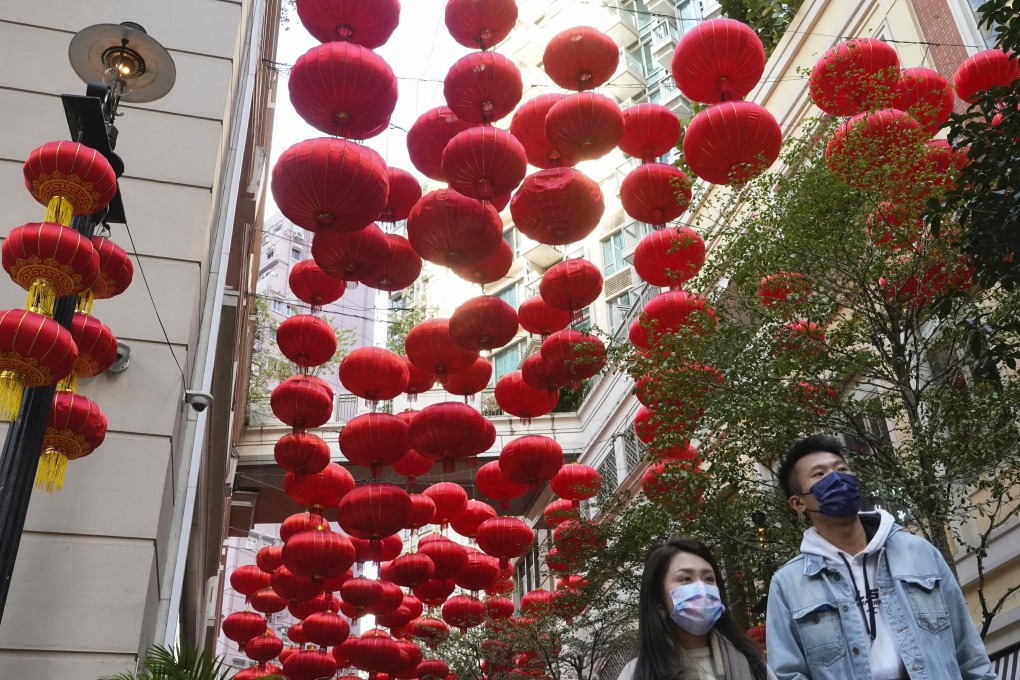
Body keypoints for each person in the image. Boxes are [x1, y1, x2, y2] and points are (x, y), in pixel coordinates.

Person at [766, 434, 995, 680]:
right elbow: (788, 674)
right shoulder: (789, 584)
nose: (837, 478)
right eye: (819, 474)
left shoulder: (918, 552)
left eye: (842, 469)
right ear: (798, 503)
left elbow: (968, 650)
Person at [618, 537, 776, 680]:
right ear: (659, 596)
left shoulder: (753, 663)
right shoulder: (636, 673)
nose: (702, 589)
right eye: (686, 579)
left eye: (709, 579)